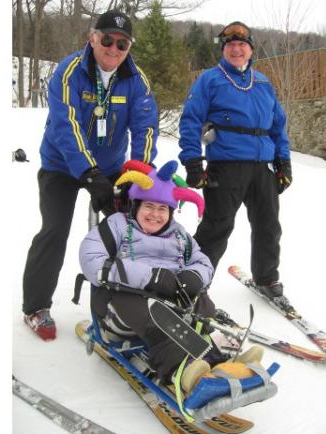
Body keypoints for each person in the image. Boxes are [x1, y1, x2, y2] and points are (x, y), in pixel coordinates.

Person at [22, 10, 159, 341]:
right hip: (62, 165)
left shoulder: (136, 80)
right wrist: (88, 173)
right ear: (92, 37)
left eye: (122, 43)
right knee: (54, 230)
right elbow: (64, 126)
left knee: (129, 231)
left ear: (129, 47)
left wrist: (138, 175)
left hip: (111, 168)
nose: (114, 49)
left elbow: (146, 128)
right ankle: (36, 306)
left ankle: (127, 302)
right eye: (108, 39)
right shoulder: (69, 71)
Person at [79, 160, 263, 392]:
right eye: (149, 206)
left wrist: (195, 276)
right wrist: (150, 277)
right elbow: (91, 261)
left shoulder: (179, 235)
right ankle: (184, 372)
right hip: (123, 310)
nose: (155, 214)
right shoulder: (116, 225)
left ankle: (224, 363)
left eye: (162, 209)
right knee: (158, 315)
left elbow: (201, 261)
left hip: (170, 301)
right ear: (136, 205)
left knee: (202, 305)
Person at [177, 21, 294, 309]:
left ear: (251, 49)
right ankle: (192, 283)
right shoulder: (210, 80)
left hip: (263, 166)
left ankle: (267, 278)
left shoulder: (263, 83)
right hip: (226, 165)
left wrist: (284, 161)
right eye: (230, 45)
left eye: (242, 45)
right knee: (216, 227)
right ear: (224, 50)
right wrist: (192, 161)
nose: (236, 49)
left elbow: (278, 126)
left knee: (268, 225)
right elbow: (191, 120)